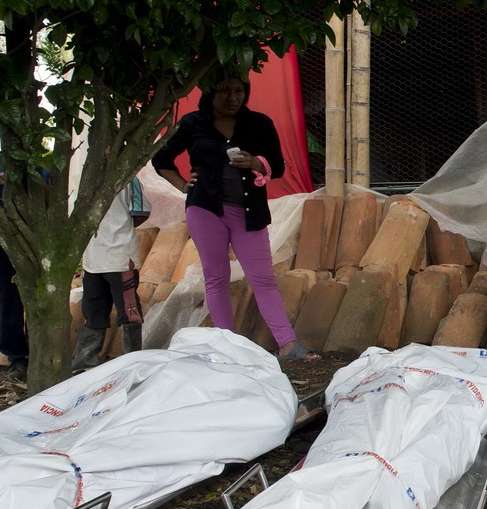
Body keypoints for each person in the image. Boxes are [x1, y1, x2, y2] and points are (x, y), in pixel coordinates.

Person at [153, 73, 319, 361]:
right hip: (205, 209)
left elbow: (277, 167)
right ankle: (227, 347)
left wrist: (255, 162)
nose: (233, 98)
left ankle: (288, 344)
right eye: (225, 91)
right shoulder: (193, 123)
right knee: (216, 277)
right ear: (210, 93)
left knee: (263, 279)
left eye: (239, 91)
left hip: (249, 211)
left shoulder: (259, 123)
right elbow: (161, 160)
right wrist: (183, 186)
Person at [73, 177, 151, 372]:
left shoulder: (128, 177)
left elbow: (141, 211)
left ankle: (133, 362)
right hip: (93, 257)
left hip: (120, 255)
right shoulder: (83, 179)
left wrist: (117, 229)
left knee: (129, 309)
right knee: (92, 308)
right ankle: (86, 361)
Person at [0, 151, 30, 384]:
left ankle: (39, 351)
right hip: (1, 243)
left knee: (39, 301)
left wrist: (21, 182)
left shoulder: (41, 160)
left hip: (35, 242)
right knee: (7, 301)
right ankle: (17, 358)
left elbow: (54, 198)